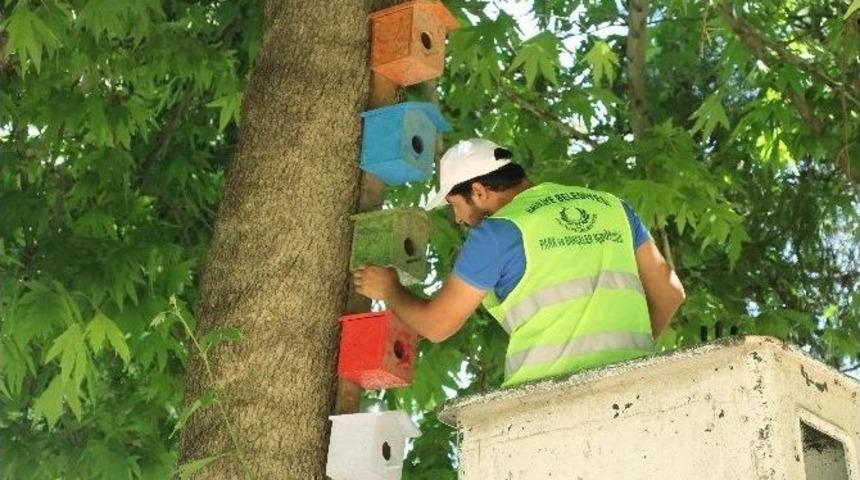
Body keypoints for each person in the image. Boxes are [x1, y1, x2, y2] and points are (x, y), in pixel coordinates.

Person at [353, 138, 685, 387]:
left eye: (455, 204)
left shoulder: (496, 233)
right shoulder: (614, 208)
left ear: (479, 192)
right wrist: (627, 357)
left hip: (545, 398)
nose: (457, 219)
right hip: (634, 387)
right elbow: (671, 295)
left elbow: (437, 325)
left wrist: (389, 288)